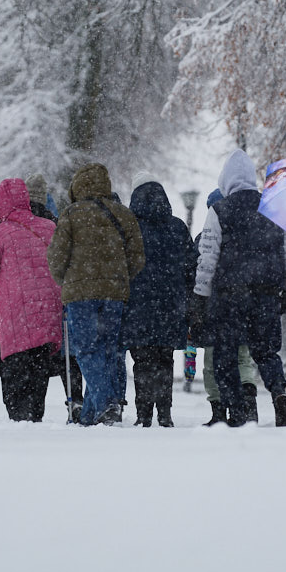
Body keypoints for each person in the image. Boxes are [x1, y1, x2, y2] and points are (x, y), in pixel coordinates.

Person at [193, 149, 286, 427]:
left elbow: (207, 258)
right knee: (266, 351)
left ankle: (236, 409)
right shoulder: (274, 208)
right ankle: (278, 393)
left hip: (228, 296)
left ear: (226, 181)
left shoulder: (219, 210)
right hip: (265, 293)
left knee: (225, 353)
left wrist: (200, 297)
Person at [47, 163, 145, 425]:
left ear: (78, 186)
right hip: (114, 294)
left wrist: (67, 281)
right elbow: (137, 258)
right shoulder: (123, 214)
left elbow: (56, 258)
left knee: (88, 351)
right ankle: (91, 414)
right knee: (108, 350)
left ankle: (105, 403)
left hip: (80, 295)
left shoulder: (71, 214)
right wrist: (119, 279)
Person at [0, 179, 63, 421]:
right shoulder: (49, 227)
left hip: (17, 312)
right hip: (49, 308)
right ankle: (35, 415)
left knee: (17, 366)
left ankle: (20, 417)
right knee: (39, 365)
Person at [122, 174, 198, 427]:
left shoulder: (129, 228)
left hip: (137, 306)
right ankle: (164, 412)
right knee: (165, 361)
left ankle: (143, 413)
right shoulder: (177, 227)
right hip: (170, 305)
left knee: (142, 361)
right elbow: (191, 268)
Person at [190, 189, 260, 426]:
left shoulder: (204, 239)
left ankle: (219, 409)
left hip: (213, 310)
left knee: (212, 362)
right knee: (242, 358)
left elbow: (196, 273)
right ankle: (248, 405)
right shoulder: (250, 237)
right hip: (244, 308)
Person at [28, 172, 85, 417]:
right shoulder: (58, 224)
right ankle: (75, 399)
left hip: (30, 299)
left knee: (36, 355)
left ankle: (33, 406)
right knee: (67, 354)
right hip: (58, 293)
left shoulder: (20, 223)